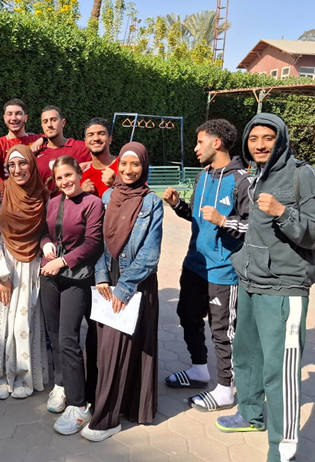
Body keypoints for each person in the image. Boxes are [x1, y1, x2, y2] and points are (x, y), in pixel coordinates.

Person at [216, 113, 315, 462]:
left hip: (284, 288)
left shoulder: (303, 174)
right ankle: (250, 413)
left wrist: (284, 212)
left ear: (281, 139)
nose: (260, 145)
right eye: (254, 139)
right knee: (247, 356)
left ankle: (282, 451)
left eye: (268, 138)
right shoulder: (256, 177)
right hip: (251, 281)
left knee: (280, 372)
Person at [162, 119, 252, 412]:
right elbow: (198, 216)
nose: (195, 148)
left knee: (222, 331)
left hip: (223, 271)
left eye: (200, 142)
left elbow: (254, 228)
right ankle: (199, 370)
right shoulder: (203, 176)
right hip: (194, 265)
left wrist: (224, 221)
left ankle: (226, 389)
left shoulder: (242, 181)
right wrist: (178, 205)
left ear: (217, 142)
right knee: (187, 315)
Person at [82, 142, 163, 442]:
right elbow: (98, 240)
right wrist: (102, 275)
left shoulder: (152, 202)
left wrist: (125, 287)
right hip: (107, 280)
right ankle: (104, 403)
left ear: (144, 167)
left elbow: (150, 254)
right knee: (105, 347)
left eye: (135, 164)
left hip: (135, 283)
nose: (129, 170)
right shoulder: (107, 197)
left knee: (123, 348)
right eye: (124, 164)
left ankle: (108, 419)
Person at [0, 145, 50, 399]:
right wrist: (1, 276)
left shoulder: (43, 194)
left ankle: (23, 376)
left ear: (32, 164)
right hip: (1, 264)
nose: (17, 170)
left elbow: (48, 231)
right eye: (12, 165)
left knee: (22, 324)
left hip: (30, 266)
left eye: (23, 163)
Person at [40, 156, 104, 435]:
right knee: (54, 334)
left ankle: (79, 405)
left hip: (77, 278)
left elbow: (93, 243)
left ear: (79, 173)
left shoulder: (93, 203)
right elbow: (45, 233)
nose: (65, 181)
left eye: (69, 175)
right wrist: (46, 246)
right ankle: (61, 384)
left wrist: (63, 261)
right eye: (59, 178)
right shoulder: (54, 202)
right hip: (50, 275)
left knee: (68, 338)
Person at [34, 106, 92, 195]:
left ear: (63, 123)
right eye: (45, 121)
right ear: (42, 126)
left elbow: (102, 166)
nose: (49, 125)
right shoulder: (37, 153)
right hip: (47, 204)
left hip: (78, 202)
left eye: (53, 120)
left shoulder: (82, 147)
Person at [0, 99, 42, 182]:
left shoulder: (38, 140)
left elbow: (55, 138)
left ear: (26, 118)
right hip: (7, 189)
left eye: (18, 114)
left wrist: (43, 139)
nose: (14, 118)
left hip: (34, 189)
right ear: (4, 118)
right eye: (9, 114)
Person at [80, 118, 118, 198]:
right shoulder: (81, 175)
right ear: (85, 142)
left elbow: (140, 197)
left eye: (101, 134)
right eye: (91, 135)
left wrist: (116, 185)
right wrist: (80, 194)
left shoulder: (124, 167)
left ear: (110, 139)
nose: (96, 138)